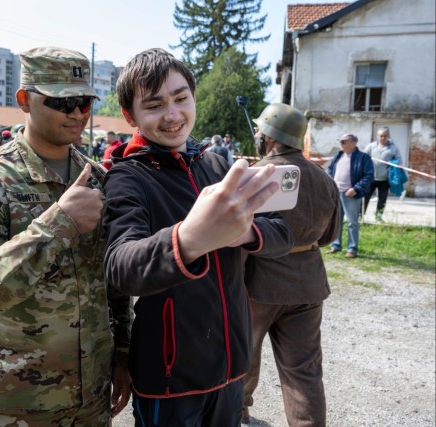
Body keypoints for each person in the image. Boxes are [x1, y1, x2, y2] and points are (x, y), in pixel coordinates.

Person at [0, 46, 132, 427]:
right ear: (24, 100)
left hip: (91, 393)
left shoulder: (99, 178)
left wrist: (123, 352)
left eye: (84, 102)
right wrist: (58, 222)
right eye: (63, 102)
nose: (77, 113)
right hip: (20, 398)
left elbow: (113, 282)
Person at [102, 48, 293, 427]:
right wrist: (190, 238)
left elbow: (282, 234)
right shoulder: (127, 177)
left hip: (231, 365)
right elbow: (120, 267)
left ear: (193, 97)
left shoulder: (215, 164)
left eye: (180, 98)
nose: (172, 115)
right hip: (171, 376)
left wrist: (244, 233)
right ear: (131, 116)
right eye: (154, 105)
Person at [241, 103, 341, 425]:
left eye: (260, 130)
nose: (256, 134)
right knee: (304, 371)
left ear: (270, 137)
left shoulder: (256, 175)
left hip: (260, 285)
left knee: (243, 356)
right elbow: (330, 236)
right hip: (308, 285)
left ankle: (235, 412)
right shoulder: (323, 179)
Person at [326, 133, 374, 258]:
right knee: (336, 221)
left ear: (353, 143)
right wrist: (331, 183)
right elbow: (330, 169)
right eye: (340, 141)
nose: (341, 144)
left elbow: (369, 175)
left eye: (343, 142)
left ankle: (352, 249)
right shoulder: (338, 155)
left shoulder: (363, 158)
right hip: (336, 192)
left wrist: (356, 188)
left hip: (351, 194)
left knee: (352, 222)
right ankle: (336, 246)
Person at [363, 126, 402, 222]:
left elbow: (399, 160)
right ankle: (360, 216)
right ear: (377, 136)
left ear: (388, 136)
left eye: (385, 136)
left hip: (384, 179)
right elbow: (363, 157)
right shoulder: (371, 146)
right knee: (365, 198)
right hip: (370, 178)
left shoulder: (393, 148)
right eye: (381, 136)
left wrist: (393, 165)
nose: (383, 138)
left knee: (382, 200)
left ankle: (379, 217)